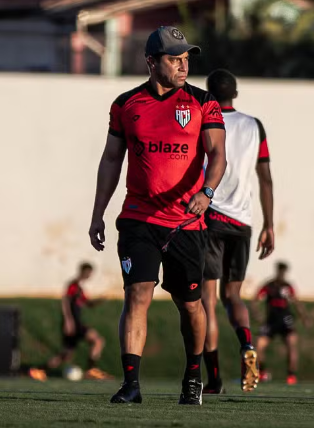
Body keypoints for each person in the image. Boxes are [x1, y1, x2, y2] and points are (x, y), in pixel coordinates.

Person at [88, 26, 226, 405]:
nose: (183, 66)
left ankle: (193, 377)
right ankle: (131, 385)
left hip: (186, 223)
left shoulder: (203, 102)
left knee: (190, 305)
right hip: (138, 219)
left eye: (186, 59)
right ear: (152, 62)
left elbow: (218, 156)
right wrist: (98, 213)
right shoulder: (126, 104)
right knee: (136, 296)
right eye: (173, 59)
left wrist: (206, 192)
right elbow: (111, 160)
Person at [199, 69, 274, 394]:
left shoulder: (205, 119)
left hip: (209, 216)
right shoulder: (254, 126)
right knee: (233, 296)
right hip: (242, 222)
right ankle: (247, 346)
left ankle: (213, 379)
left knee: (207, 303)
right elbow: (266, 178)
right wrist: (269, 224)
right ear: (237, 94)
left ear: (208, 93)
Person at [29, 262, 112, 381]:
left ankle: (39, 371)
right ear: (83, 271)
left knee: (66, 354)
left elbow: (87, 303)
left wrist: (99, 300)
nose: (89, 275)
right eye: (88, 273)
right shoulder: (73, 285)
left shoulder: (79, 289)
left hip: (75, 324)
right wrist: (68, 321)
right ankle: (91, 370)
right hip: (74, 324)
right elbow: (65, 302)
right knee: (98, 340)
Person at [253, 261, 308, 385]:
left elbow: (296, 302)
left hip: (286, 319)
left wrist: (304, 317)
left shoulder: (288, 286)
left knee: (291, 346)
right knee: (259, 346)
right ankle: (263, 372)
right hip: (271, 320)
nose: (282, 274)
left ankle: (291, 375)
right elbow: (255, 300)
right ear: (277, 271)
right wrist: (257, 313)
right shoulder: (268, 285)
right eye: (280, 271)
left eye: (284, 272)